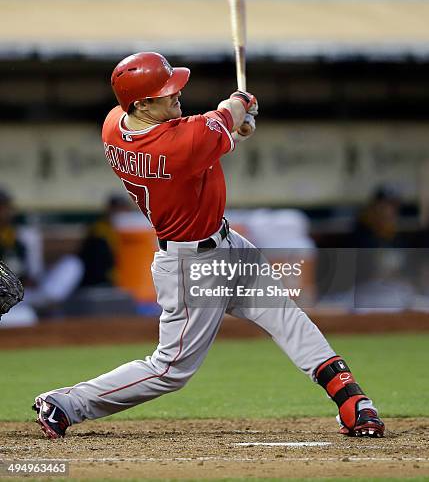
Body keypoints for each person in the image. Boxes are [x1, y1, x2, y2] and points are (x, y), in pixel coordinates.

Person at [33, 52, 385, 440]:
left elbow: (204, 142)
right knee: (170, 369)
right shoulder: (178, 142)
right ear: (141, 103)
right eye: (166, 92)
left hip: (227, 244)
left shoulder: (115, 125)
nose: (176, 95)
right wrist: (241, 104)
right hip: (191, 265)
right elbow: (221, 118)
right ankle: (65, 403)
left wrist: (234, 131)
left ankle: (351, 398)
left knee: (285, 316)